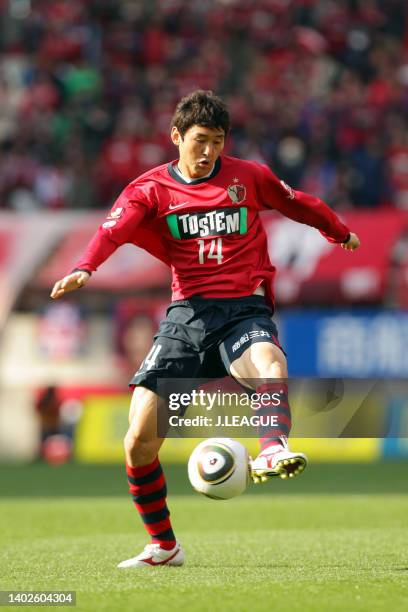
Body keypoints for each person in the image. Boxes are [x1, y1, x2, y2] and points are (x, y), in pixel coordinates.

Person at [50, 90, 360, 568]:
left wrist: (338, 231)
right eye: (199, 140)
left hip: (243, 309)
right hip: (187, 317)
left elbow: (297, 203)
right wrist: (85, 266)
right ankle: (164, 545)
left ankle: (272, 449)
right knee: (138, 442)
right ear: (176, 137)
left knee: (268, 360)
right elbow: (114, 228)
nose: (208, 151)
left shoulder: (249, 177)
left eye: (217, 141)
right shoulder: (150, 189)